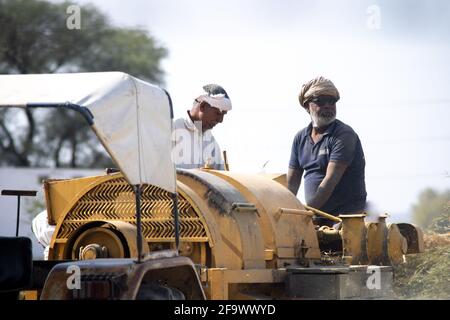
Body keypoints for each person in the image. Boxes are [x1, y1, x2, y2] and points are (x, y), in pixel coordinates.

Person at [287, 76, 367, 226]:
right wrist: (285, 212)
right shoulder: (300, 138)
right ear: (307, 106)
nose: (328, 106)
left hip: (345, 219)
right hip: (316, 217)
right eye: (321, 101)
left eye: (332, 101)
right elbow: (291, 186)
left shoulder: (343, 135)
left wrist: (307, 213)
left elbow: (330, 181)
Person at [172, 84, 232, 170]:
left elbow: (221, 178)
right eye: (218, 113)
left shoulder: (211, 142)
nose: (220, 120)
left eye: (223, 115)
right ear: (203, 106)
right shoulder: (173, 130)